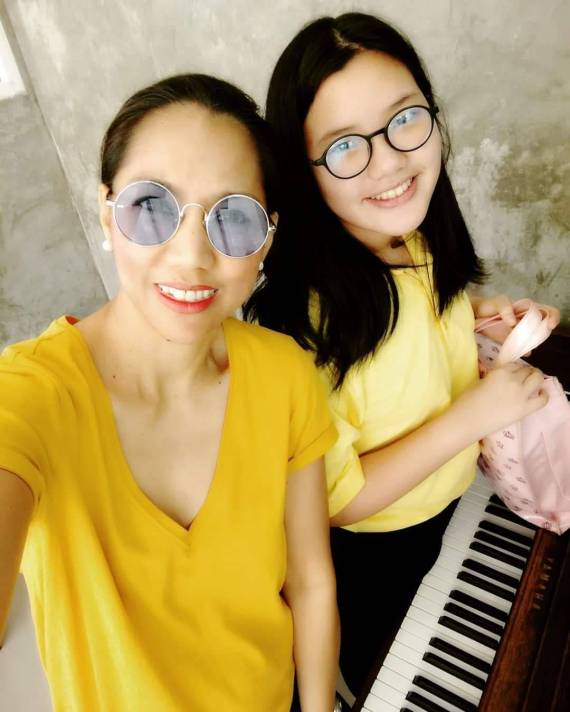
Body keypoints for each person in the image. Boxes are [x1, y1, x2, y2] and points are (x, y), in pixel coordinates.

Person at [0, 74, 340, 712]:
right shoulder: (32, 394)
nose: (191, 258)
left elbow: (310, 580)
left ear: (267, 238)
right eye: (151, 206)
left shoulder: (285, 374)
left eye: (232, 217)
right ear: (107, 212)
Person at [244, 12, 560, 699]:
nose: (388, 161)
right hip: (376, 551)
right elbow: (338, 500)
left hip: (450, 501)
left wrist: (477, 314)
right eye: (343, 146)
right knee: (386, 672)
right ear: (300, 170)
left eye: (405, 119)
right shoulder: (302, 329)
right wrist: (474, 416)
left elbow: (414, 322)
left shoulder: (408, 237)